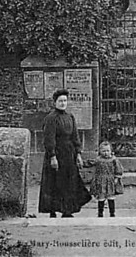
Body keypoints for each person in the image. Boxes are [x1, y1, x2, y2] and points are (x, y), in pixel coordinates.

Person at [38, 89, 91, 218]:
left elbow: (75, 136)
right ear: (55, 102)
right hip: (56, 153)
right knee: (54, 182)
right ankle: (53, 210)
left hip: (69, 154)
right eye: (60, 101)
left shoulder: (70, 117)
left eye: (65, 101)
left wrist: (78, 154)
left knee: (69, 182)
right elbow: (49, 139)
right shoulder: (51, 118)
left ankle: (67, 210)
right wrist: (52, 156)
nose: (63, 103)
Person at [90, 141, 124, 218]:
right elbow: (91, 163)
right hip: (100, 180)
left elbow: (118, 169)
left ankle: (112, 213)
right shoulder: (98, 159)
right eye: (103, 151)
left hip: (110, 180)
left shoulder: (114, 160)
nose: (106, 153)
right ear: (100, 151)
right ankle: (100, 213)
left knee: (110, 197)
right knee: (101, 197)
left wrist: (116, 178)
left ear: (111, 151)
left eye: (108, 151)